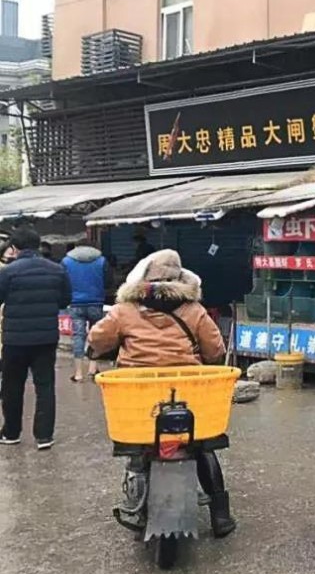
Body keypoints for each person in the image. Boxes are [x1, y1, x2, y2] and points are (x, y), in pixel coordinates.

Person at [86, 249, 236, 538]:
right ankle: (220, 515)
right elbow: (215, 349)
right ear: (180, 278)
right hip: (188, 393)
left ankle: (135, 504)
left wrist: (97, 350)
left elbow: (97, 340)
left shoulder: (124, 309)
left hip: (138, 396)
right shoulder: (194, 310)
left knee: (139, 445)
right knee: (202, 445)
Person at [0, 227, 72, 450]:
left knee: (12, 386)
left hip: (15, 338)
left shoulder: (8, 272)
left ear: (14, 248)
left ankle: (11, 432)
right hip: (46, 338)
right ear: (38, 244)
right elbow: (64, 301)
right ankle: (44, 436)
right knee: (45, 385)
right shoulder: (57, 269)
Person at [62, 238, 112, 382]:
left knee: (78, 336)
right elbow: (108, 282)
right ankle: (92, 368)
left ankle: (78, 373)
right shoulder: (102, 261)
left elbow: (62, 281)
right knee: (95, 335)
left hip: (75, 304)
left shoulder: (66, 261)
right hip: (96, 302)